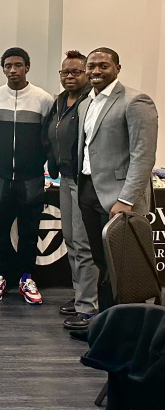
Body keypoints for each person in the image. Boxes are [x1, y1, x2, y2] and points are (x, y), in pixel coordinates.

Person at [76, 47, 158, 316]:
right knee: (101, 263)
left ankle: (132, 328)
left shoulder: (136, 101)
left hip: (119, 198)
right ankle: (105, 323)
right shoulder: (86, 103)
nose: (96, 71)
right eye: (91, 66)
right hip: (88, 191)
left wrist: (126, 200)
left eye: (103, 66)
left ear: (117, 68)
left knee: (125, 267)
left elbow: (143, 157)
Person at [0, 47, 54, 305]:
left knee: (29, 233)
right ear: (3, 68)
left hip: (31, 178)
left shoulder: (44, 100)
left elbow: (48, 139)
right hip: (0, 177)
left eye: (18, 65)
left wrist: (36, 164)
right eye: (8, 65)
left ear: (27, 67)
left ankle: (26, 278)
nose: (13, 70)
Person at [43, 50, 97, 330]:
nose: (70, 76)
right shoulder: (60, 101)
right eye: (66, 72)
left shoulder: (92, 102)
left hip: (85, 182)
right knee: (71, 240)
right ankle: (80, 297)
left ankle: (89, 308)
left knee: (84, 244)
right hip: (63, 178)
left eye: (77, 71)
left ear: (87, 73)